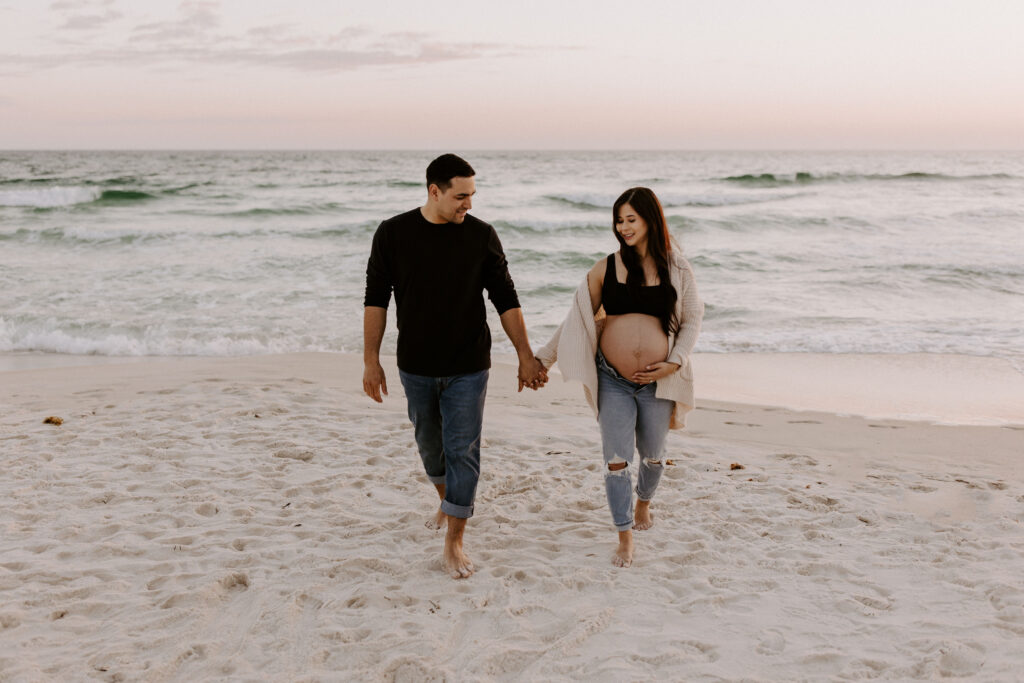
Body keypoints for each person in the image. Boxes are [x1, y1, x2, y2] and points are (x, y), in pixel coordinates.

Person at [362, 153, 548, 580]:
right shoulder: (393, 234)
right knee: (431, 447)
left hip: (469, 365)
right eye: (461, 196)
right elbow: (376, 299)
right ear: (434, 191)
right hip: (416, 365)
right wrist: (371, 361)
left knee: (463, 450)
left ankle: (455, 539)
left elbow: (505, 298)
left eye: (473, 196)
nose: (469, 204)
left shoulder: (481, 236)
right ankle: (449, 502)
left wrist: (524, 354)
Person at [536, 187, 703, 568]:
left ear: (650, 219)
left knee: (655, 455)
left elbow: (693, 319)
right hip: (612, 378)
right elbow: (576, 318)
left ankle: (643, 503)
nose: (623, 227)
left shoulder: (677, 267)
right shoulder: (605, 268)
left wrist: (674, 362)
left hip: (660, 380)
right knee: (615, 459)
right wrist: (542, 359)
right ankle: (624, 535)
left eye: (631, 219)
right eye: (619, 220)